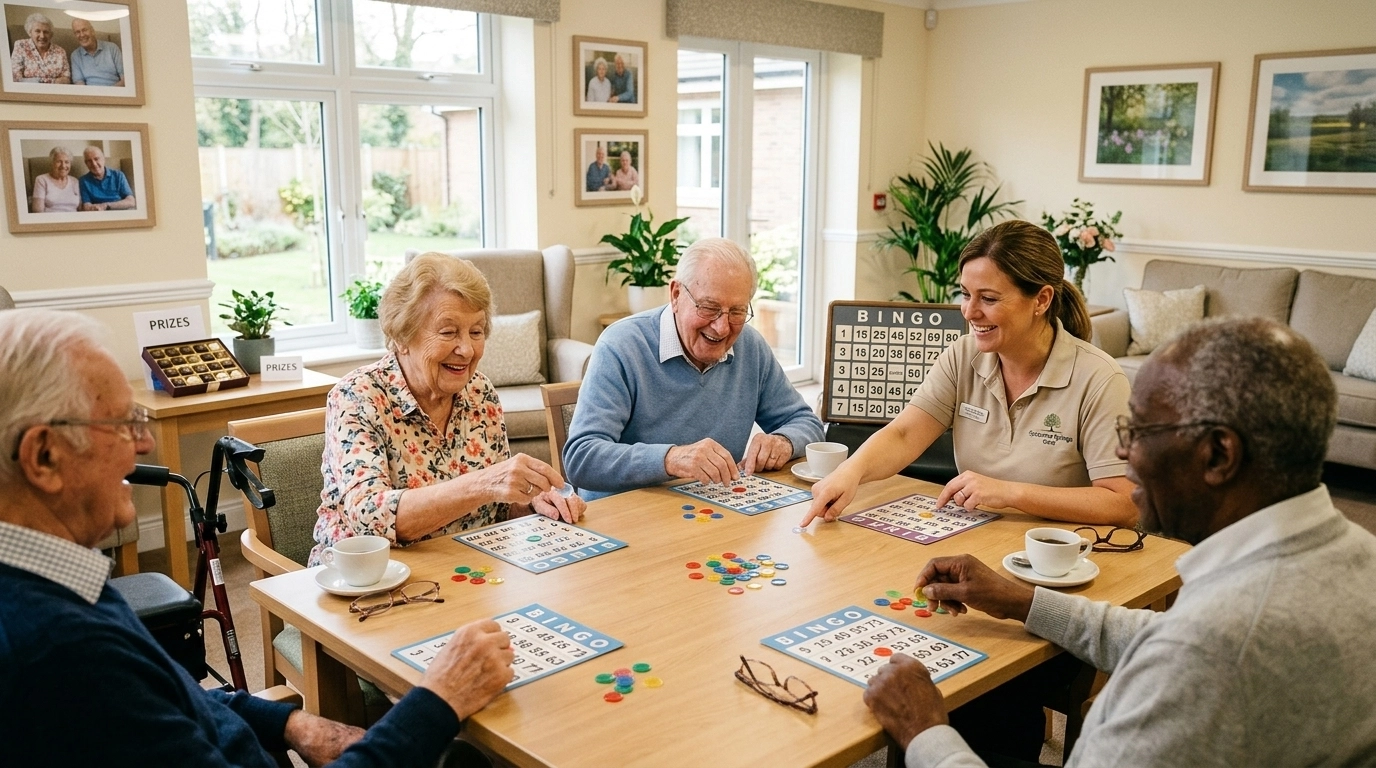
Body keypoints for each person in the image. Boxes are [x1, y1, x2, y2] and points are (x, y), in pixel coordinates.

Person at [0, 308, 517, 767]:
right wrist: (440, 698)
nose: (145, 442)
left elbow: (177, 693)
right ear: (44, 457)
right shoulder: (61, 655)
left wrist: (290, 724)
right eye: (121, 423)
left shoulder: (63, 581)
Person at [864, 316, 1376, 767]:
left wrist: (926, 733)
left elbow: (1194, 649)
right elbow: (1167, 635)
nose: (1123, 453)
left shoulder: (1211, 654)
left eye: (1140, 431)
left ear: (1219, 455)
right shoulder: (1352, 552)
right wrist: (1022, 600)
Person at [803, 220, 1136, 528]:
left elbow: (1123, 504)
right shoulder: (963, 355)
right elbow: (905, 434)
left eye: (988, 298)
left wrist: (1010, 493)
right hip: (976, 535)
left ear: (1042, 300)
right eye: (965, 294)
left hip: (1060, 555)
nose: (969, 311)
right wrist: (849, 472)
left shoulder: (1101, 380)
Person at [309, 253, 585, 564]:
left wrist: (533, 501)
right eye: (448, 332)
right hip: (368, 582)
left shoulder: (480, 392)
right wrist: (486, 482)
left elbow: (496, 509)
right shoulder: (358, 396)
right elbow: (371, 517)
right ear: (402, 336)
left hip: (466, 569)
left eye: (476, 332)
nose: (466, 349)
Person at [564, 237, 824, 500]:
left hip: (710, 512)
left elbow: (808, 424)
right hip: (624, 518)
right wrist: (671, 459)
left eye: (737, 312)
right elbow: (581, 457)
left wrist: (783, 441)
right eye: (709, 308)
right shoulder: (622, 345)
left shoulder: (750, 346)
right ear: (676, 295)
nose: (722, 327)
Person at [10, 13, 70, 84]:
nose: (42, 36)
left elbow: (66, 79)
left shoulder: (60, 51)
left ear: (51, 35)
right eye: (37, 31)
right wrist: (52, 81)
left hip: (54, 93)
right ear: (30, 32)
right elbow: (16, 77)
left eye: (46, 32)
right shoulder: (21, 46)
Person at [77, 146, 136, 211]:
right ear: (86, 164)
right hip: (99, 214)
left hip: (120, 211)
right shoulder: (83, 181)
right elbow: (86, 206)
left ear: (103, 159)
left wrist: (106, 206)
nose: (94, 164)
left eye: (96, 159)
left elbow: (131, 201)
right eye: (89, 161)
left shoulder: (118, 175)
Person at [69, 18, 124, 87]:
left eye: (84, 30)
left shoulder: (112, 48)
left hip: (115, 92)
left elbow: (125, 78)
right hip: (90, 95)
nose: (82, 35)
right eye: (77, 32)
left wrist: (108, 94)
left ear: (92, 31)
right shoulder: (75, 55)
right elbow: (79, 83)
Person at [28, 147, 80, 213]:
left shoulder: (75, 181)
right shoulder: (41, 180)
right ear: (52, 163)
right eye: (59, 162)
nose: (63, 166)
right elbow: (37, 211)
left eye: (67, 162)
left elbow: (81, 208)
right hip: (51, 221)